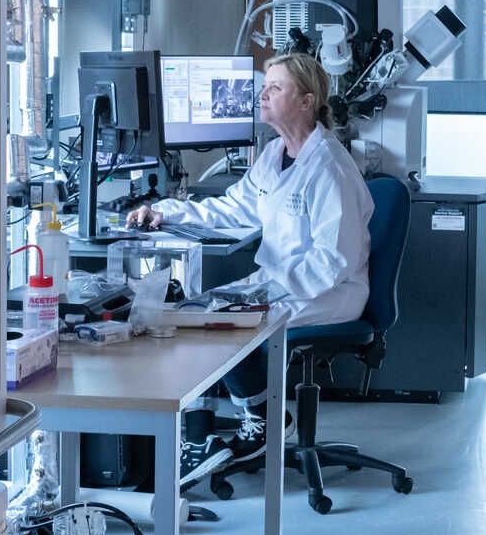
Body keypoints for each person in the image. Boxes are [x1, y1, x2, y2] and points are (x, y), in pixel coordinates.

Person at [131, 51, 372, 464]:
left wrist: (262, 296)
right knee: (194, 312)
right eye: (264, 86)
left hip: (328, 291)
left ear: (306, 101)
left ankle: (263, 419)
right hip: (279, 281)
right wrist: (165, 212)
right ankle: (204, 436)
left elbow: (334, 261)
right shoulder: (275, 154)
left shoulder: (329, 167)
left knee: (221, 324)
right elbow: (233, 208)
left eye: (275, 88)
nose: (262, 95)